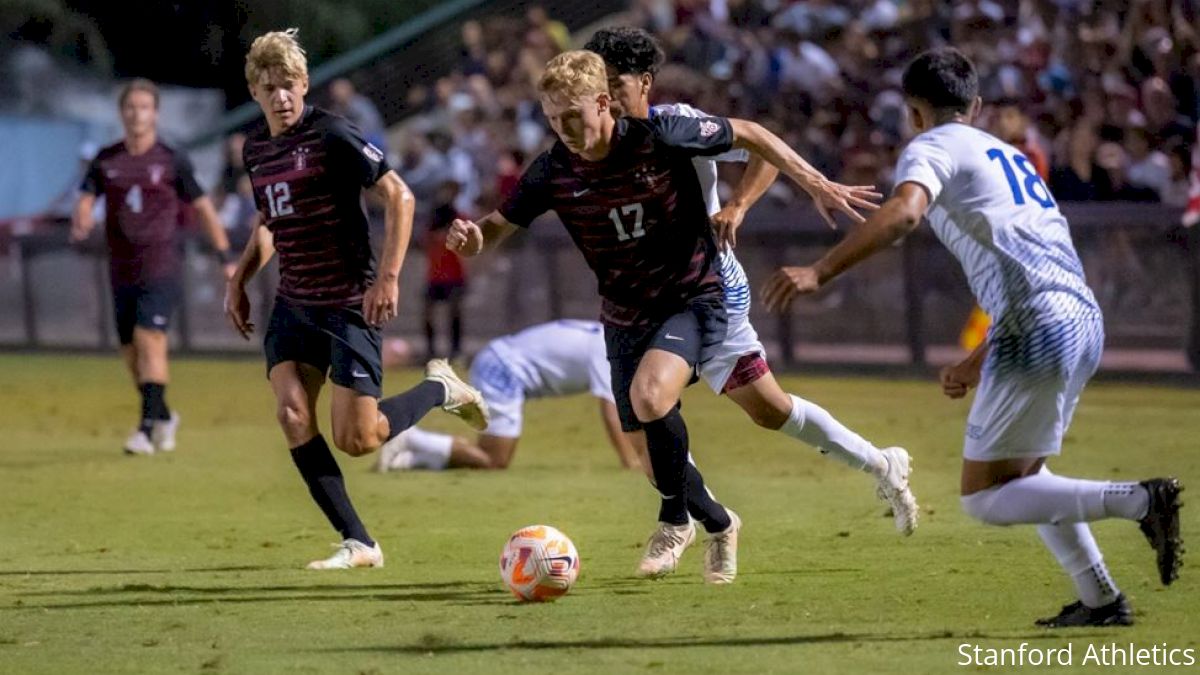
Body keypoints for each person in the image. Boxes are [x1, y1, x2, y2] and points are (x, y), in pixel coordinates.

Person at [763, 47, 1183, 627]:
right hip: (1078, 316)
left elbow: (906, 214)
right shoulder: (1006, 153)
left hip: (1038, 322)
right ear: (976, 105)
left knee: (985, 498)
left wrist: (818, 271)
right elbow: (1032, 267)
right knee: (1026, 478)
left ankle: (1140, 500)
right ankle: (1101, 599)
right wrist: (978, 358)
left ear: (913, 113)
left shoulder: (931, 146)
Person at [446, 50, 877, 584]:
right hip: (625, 312)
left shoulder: (662, 134)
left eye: (573, 117)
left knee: (652, 397)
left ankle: (674, 522)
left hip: (693, 294)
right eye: (553, 120)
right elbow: (498, 224)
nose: (565, 130)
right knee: (651, 460)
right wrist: (473, 237)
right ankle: (719, 523)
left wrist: (814, 182)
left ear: (604, 102)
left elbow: (751, 134)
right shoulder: (555, 167)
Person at [584, 26, 918, 540]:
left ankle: (877, 466)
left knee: (759, 411)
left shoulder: (681, 126)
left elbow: (760, 147)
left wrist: (739, 204)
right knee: (661, 423)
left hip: (705, 291)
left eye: (616, 83)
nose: (607, 96)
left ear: (645, 82)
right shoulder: (593, 141)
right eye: (599, 86)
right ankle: (704, 519)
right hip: (645, 298)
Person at [224, 29, 489, 570]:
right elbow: (270, 223)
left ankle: (440, 388)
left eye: (290, 84)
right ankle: (359, 542)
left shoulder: (332, 135)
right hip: (293, 304)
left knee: (360, 439)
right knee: (293, 413)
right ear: (255, 90)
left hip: (347, 302)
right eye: (269, 86)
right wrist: (239, 279)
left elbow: (400, 195)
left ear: (304, 85)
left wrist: (388, 277)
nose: (281, 96)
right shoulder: (257, 152)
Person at [70, 78, 236, 456]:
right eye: (130, 106)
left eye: (144, 107)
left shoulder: (171, 159)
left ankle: (144, 430)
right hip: (121, 269)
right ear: (122, 112)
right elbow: (86, 194)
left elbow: (204, 209)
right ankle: (162, 414)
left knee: (150, 340)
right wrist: (81, 216)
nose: (136, 113)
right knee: (131, 354)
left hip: (160, 266)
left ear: (155, 114)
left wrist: (225, 256)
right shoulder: (107, 158)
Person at [376, 319, 641, 472]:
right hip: (503, 369)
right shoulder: (608, 348)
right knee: (494, 461)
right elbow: (611, 409)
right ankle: (411, 438)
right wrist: (630, 461)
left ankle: (409, 459)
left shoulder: (603, 333)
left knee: (493, 459)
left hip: (500, 359)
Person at [423, 180, 468, 360]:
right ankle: (430, 351)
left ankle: (456, 351)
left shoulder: (460, 219)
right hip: (434, 275)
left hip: (454, 275)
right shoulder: (433, 219)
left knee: (454, 313)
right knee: (428, 313)